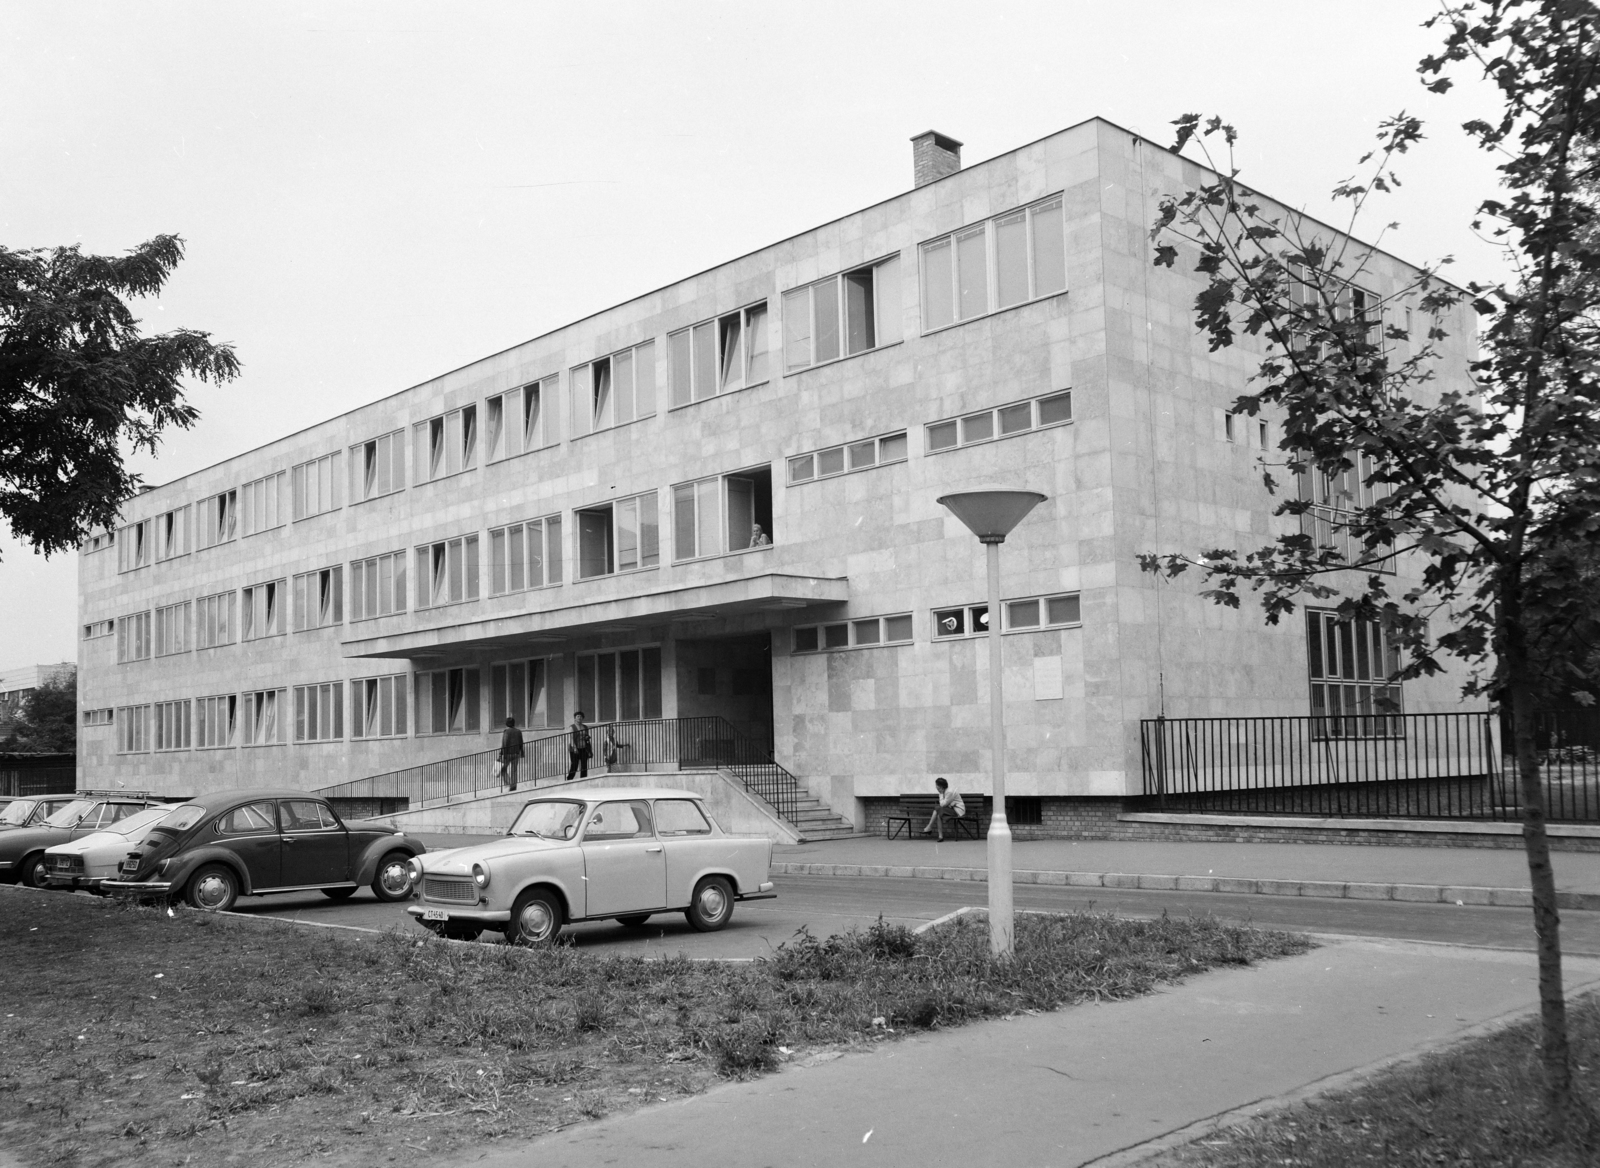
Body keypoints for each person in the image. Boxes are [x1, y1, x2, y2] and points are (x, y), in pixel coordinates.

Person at [565, 711, 592, 781]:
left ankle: (583, 779)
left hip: (583, 748)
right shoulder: (572, 727)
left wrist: (587, 737)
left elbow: (586, 736)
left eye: (581, 716)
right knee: (574, 765)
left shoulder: (585, 727)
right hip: (574, 748)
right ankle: (569, 779)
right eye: (578, 716)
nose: (579, 718)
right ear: (575, 718)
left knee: (584, 765)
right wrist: (574, 748)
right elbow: (570, 738)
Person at [498, 716, 524, 791]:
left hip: (508, 754)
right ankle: (513, 786)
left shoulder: (506, 732)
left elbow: (504, 743)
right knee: (514, 770)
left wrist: (502, 754)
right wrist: (521, 752)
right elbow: (521, 742)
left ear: (507, 724)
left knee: (502, 769)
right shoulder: (518, 731)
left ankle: (509, 783)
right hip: (516, 753)